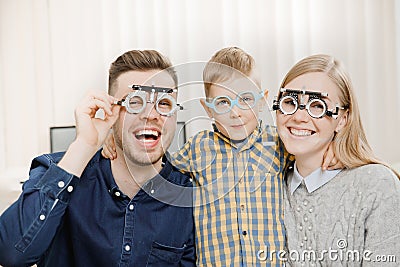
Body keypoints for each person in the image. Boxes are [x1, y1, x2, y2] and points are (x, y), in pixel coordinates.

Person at [103, 47, 339, 266]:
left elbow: (311, 151)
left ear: (261, 101)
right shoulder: (199, 148)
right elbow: (153, 157)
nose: (235, 113)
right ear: (209, 109)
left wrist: (333, 150)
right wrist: (111, 135)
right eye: (223, 102)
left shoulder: (278, 145)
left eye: (246, 99)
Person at [0, 49, 195, 266]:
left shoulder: (188, 196)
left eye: (164, 103)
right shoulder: (56, 171)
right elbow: (11, 255)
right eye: (135, 101)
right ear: (111, 109)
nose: (151, 115)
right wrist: (84, 145)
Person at [273, 54, 400, 266]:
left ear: (343, 119)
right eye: (290, 102)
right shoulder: (266, 183)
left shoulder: (376, 185)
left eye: (317, 106)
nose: (299, 117)